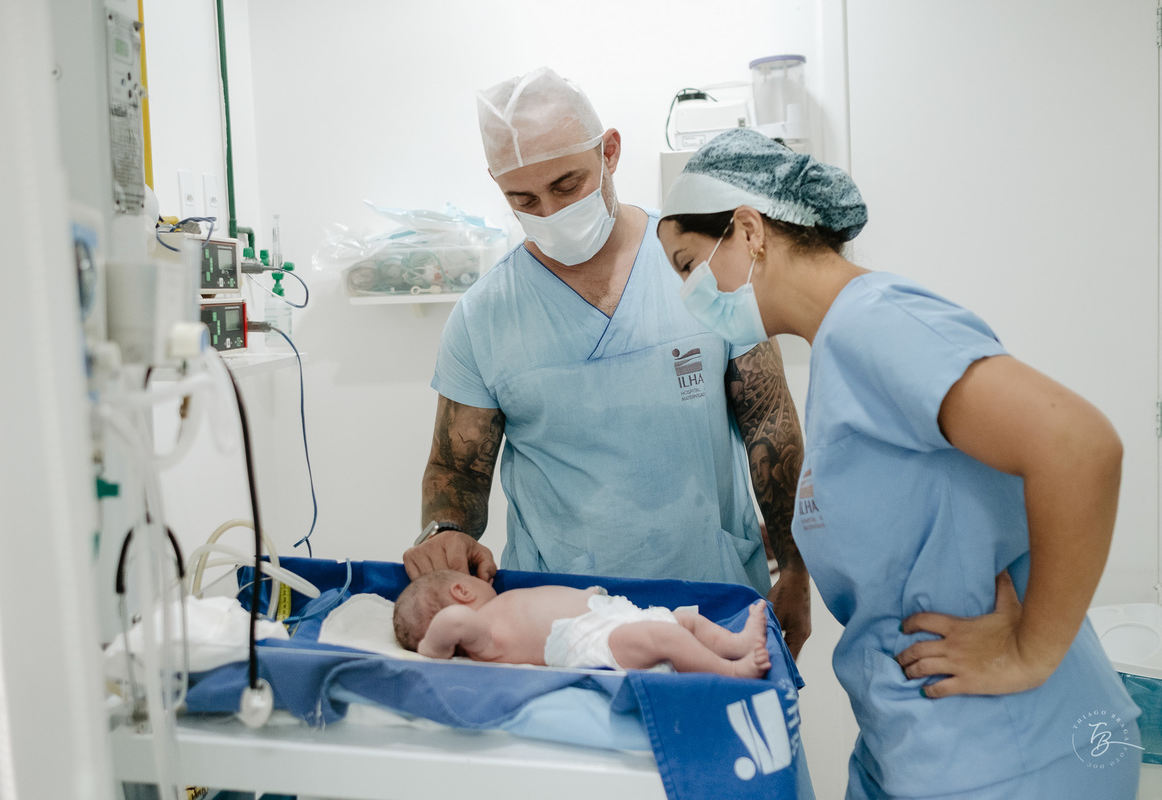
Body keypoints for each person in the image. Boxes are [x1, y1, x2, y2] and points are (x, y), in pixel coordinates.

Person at [657, 127, 1141, 799]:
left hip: (1006, 756)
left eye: (686, 264)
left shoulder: (875, 324)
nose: (688, 293)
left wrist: (1032, 650)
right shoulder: (839, 347)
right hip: (916, 744)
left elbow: (1080, 447)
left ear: (748, 230)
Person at [403, 67, 811, 658]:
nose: (549, 211)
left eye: (567, 185)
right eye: (524, 199)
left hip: (714, 597)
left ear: (610, 152)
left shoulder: (702, 267)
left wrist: (796, 569)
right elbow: (456, 469)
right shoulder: (485, 316)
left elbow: (770, 425)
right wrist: (444, 532)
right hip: (559, 628)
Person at [393, 568, 771, 678]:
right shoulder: (481, 637)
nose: (486, 579)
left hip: (608, 617)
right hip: (594, 644)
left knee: (684, 621)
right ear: (461, 590)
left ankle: (735, 644)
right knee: (666, 636)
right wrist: (431, 648)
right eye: (474, 580)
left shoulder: (497, 611)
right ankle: (730, 672)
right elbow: (452, 621)